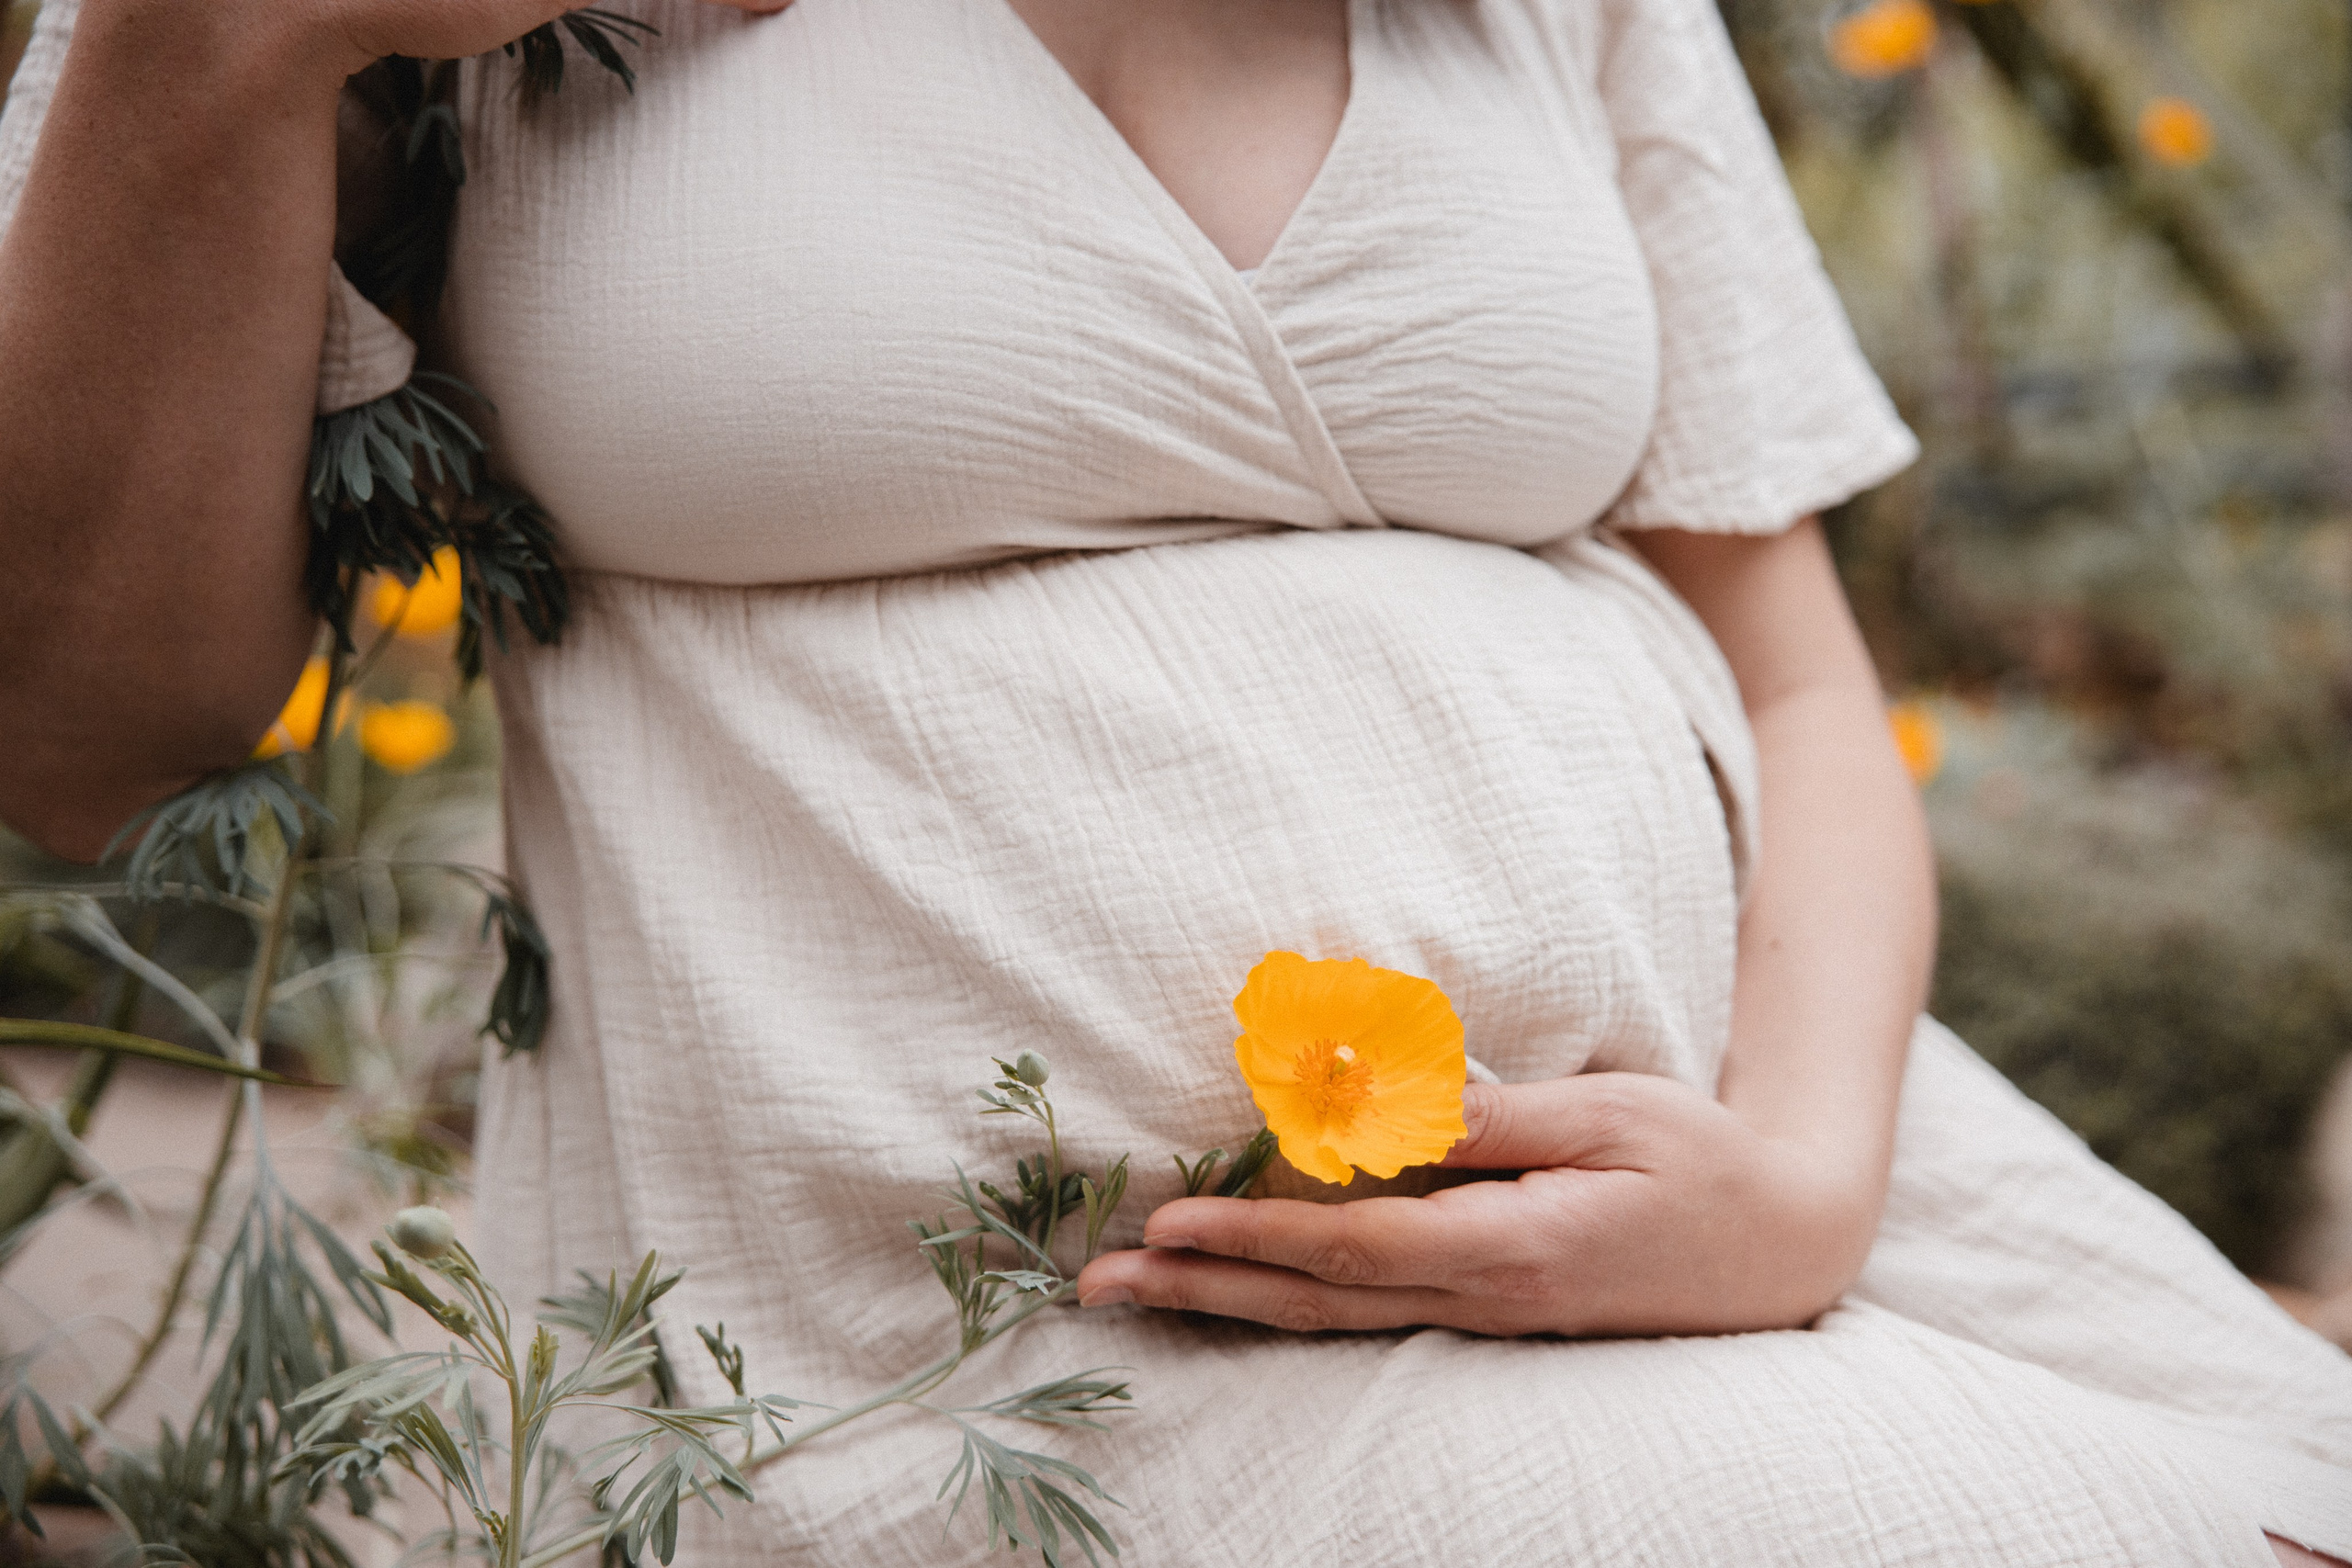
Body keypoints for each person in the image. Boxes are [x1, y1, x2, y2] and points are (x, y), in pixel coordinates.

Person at [3, 0, 2347, 1561]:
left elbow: (1806, 693)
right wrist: (223, 41)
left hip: (1784, 1186)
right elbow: (82, 735)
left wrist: (1797, 1194)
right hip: (989, 1349)